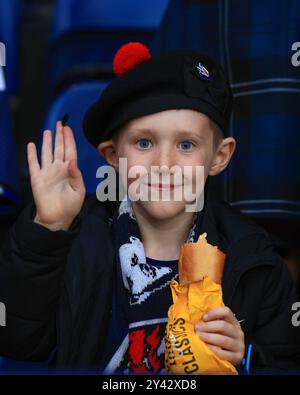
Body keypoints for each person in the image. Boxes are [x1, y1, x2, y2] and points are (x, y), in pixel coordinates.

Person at [0, 42, 299, 374]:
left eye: (186, 145)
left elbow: (286, 363)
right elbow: (17, 343)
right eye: (144, 143)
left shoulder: (255, 259)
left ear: (219, 157)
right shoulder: (74, 243)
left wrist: (245, 358)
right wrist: (48, 229)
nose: (163, 164)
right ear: (113, 155)